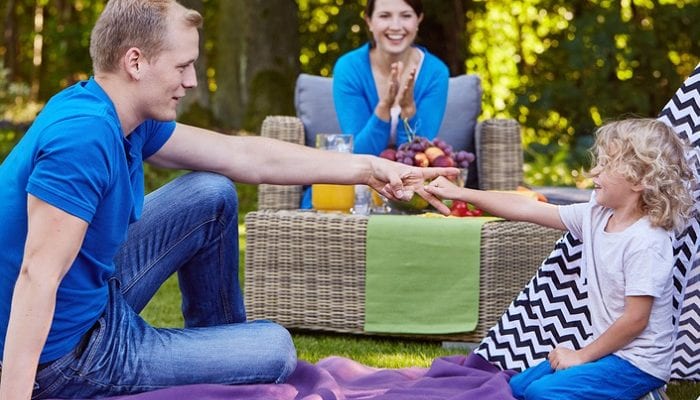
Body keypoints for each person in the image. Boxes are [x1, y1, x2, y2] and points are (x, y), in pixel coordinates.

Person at [0, 1, 458, 399]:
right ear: (135, 62)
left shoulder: (122, 114)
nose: (193, 80)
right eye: (182, 66)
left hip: (91, 295)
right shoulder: (83, 138)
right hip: (66, 356)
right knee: (275, 349)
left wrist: (368, 167)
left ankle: (214, 351)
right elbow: (38, 275)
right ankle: (221, 358)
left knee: (213, 192)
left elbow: (243, 155)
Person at [424, 118, 695, 400]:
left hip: (638, 365)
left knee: (542, 393)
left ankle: (644, 393)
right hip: (610, 353)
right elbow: (526, 208)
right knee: (517, 388)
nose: (593, 172)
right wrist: (461, 193)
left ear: (639, 179)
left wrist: (580, 356)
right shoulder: (595, 215)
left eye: (606, 164)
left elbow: (635, 320)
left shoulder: (647, 241)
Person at [301, 0, 450, 208]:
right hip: (352, 192)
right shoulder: (349, 68)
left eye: (406, 16)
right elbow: (360, 155)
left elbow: (417, 157)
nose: (396, 26)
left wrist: (408, 111)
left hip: (411, 193)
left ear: (419, 20)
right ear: (369, 21)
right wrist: (384, 108)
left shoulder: (435, 73)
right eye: (385, 16)